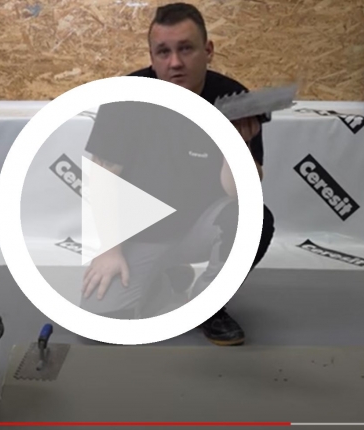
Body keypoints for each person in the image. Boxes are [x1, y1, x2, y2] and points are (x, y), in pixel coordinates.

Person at [81, 2, 275, 346]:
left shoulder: (234, 100)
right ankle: (165, 276)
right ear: (152, 57)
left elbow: (238, 193)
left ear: (208, 50)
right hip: (139, 234)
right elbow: (103, 178)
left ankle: (208, 307)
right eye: (164, 52)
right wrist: (110, 249)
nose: (175, 62)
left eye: (186, 49)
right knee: (102, 324)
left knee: (254, 218)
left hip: (199, 227)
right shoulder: (126, 96)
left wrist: (238, 144)